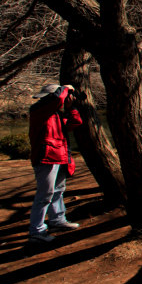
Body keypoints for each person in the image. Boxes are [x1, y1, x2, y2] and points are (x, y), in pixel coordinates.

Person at [28, 84, 83, 244]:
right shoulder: (39, 110)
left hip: (59, 157)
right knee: (44, 195)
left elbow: (75, 122)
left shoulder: (56, 115)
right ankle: (36, 231)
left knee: (58, 191)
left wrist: (70, 107)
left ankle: (57, 221)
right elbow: (58, 98)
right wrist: (66, 88)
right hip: (45, 158)